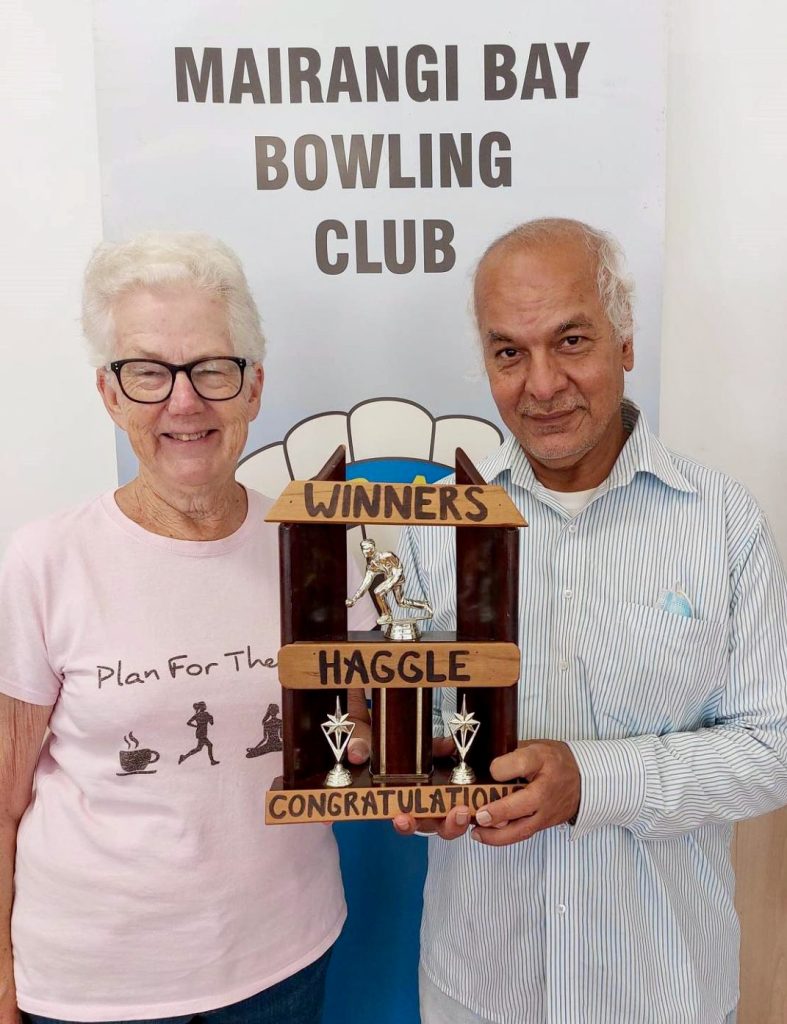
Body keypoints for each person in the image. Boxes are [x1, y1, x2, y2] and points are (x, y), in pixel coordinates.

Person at [393, 218, 787, 1023]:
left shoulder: (722, 522)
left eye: (570, 341)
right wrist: (417, 777)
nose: (541, 385)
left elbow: (772, 750)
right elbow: (421, 728)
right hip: (480, 992)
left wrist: (591, 781)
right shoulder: (431, 525)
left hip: (663, 993)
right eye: (509, 352)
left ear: (625, 341)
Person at [0, 232, 373, 1024]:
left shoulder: (320, 550)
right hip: (92, 987)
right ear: (109, 393)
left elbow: (356, 733)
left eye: (211, 368)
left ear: (253, 387)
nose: (183, 401)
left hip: (284, 961)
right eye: (148, 372)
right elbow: (2, 801)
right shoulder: (41, 562)